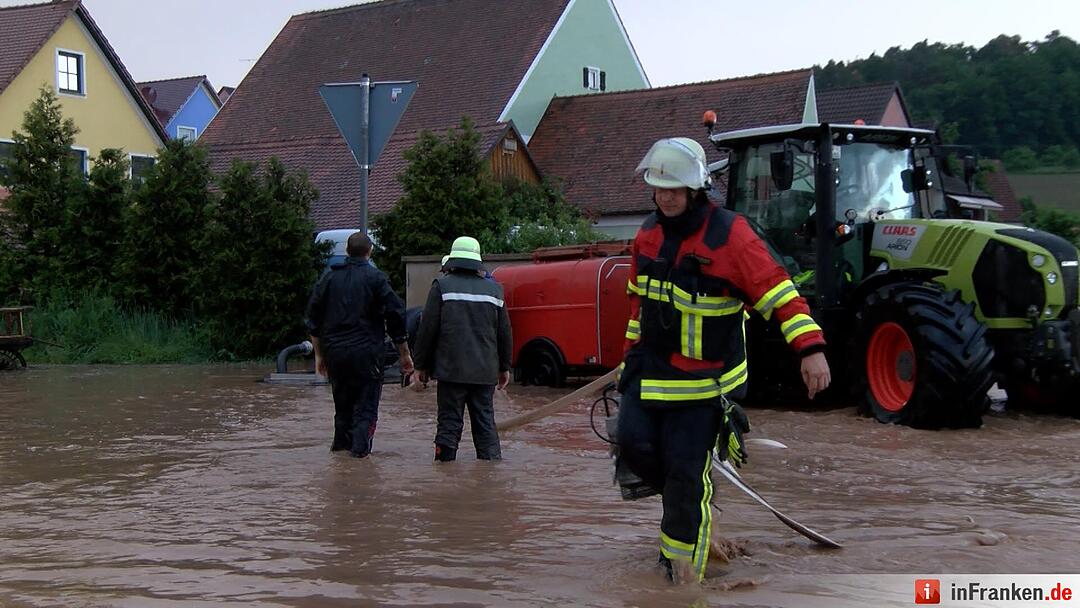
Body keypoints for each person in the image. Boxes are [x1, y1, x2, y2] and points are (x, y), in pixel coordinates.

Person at [615, 137, 831, 584]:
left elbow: (779, 293)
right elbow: (638, 305)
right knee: (633, 448)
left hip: (705, 386)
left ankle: (681, 578)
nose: (665, 196)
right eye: (658, 188)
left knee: (684, 479)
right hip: (649, 376)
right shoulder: (647, 235)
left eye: (673, 188)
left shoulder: (731, 235)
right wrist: (626, 361)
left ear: (696, 189)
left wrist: (810, 350)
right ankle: (688, 504)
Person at [305, 231, 413, 458]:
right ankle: (359, 461)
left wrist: (319, 356)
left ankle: (341, 460)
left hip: (335, 354)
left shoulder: (328, 279)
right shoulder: (375, 278)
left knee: (342, 410)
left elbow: (313, 319)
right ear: (369, 251)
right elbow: (395, 313)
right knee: (365, 409)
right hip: (366, 354)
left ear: (347, 251)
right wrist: (404, 353)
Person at [413, 236, 512, 462]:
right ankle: (490, 472)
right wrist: (505, 367)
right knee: (485, 424)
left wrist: (421, 366)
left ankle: (444, 468)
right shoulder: (495, 290)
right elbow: (504, 333)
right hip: (485, 371)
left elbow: (427, 329)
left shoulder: (442, 286)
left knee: (449, 423)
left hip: (451, 370)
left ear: (453, 260)